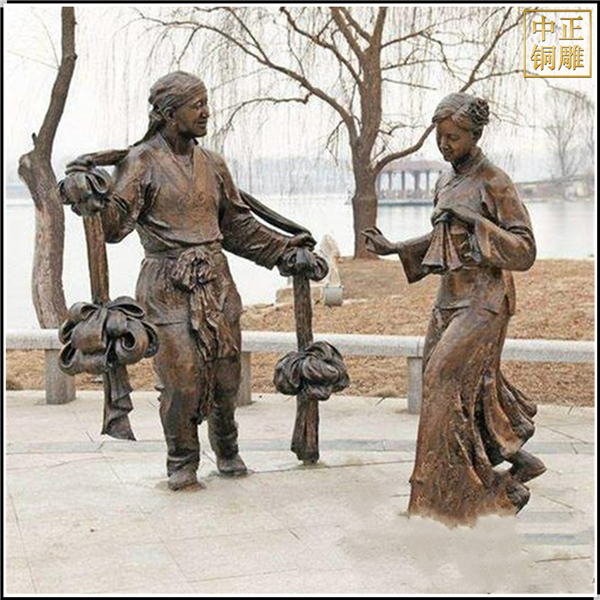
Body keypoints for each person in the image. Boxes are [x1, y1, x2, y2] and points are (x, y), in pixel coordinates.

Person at [65, 71, 312, 491]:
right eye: (197, 105)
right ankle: (181, 459)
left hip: (217, 281)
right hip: (166, 285)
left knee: (226, 373)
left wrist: (284, 252)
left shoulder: (213, 164)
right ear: (168, 113)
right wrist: (89, 194)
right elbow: (114, 227)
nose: (206, 112)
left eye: (206, 103)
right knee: (181, 378)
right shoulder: (141, 162)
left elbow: (237, 226)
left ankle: (227, 447)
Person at [362, 93, 546, 527]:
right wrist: (397, 248)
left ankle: (445, 498)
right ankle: (487, 475)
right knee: (450, 390)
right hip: (448, 298)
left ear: (474, 135)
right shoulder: (445, 181)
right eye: (440, 137)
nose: (445, 145)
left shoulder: (495, 181)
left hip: (485, 300)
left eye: (454, 137)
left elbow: (524, 249)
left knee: (442, 379)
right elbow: (445, 240)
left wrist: (476, 222)